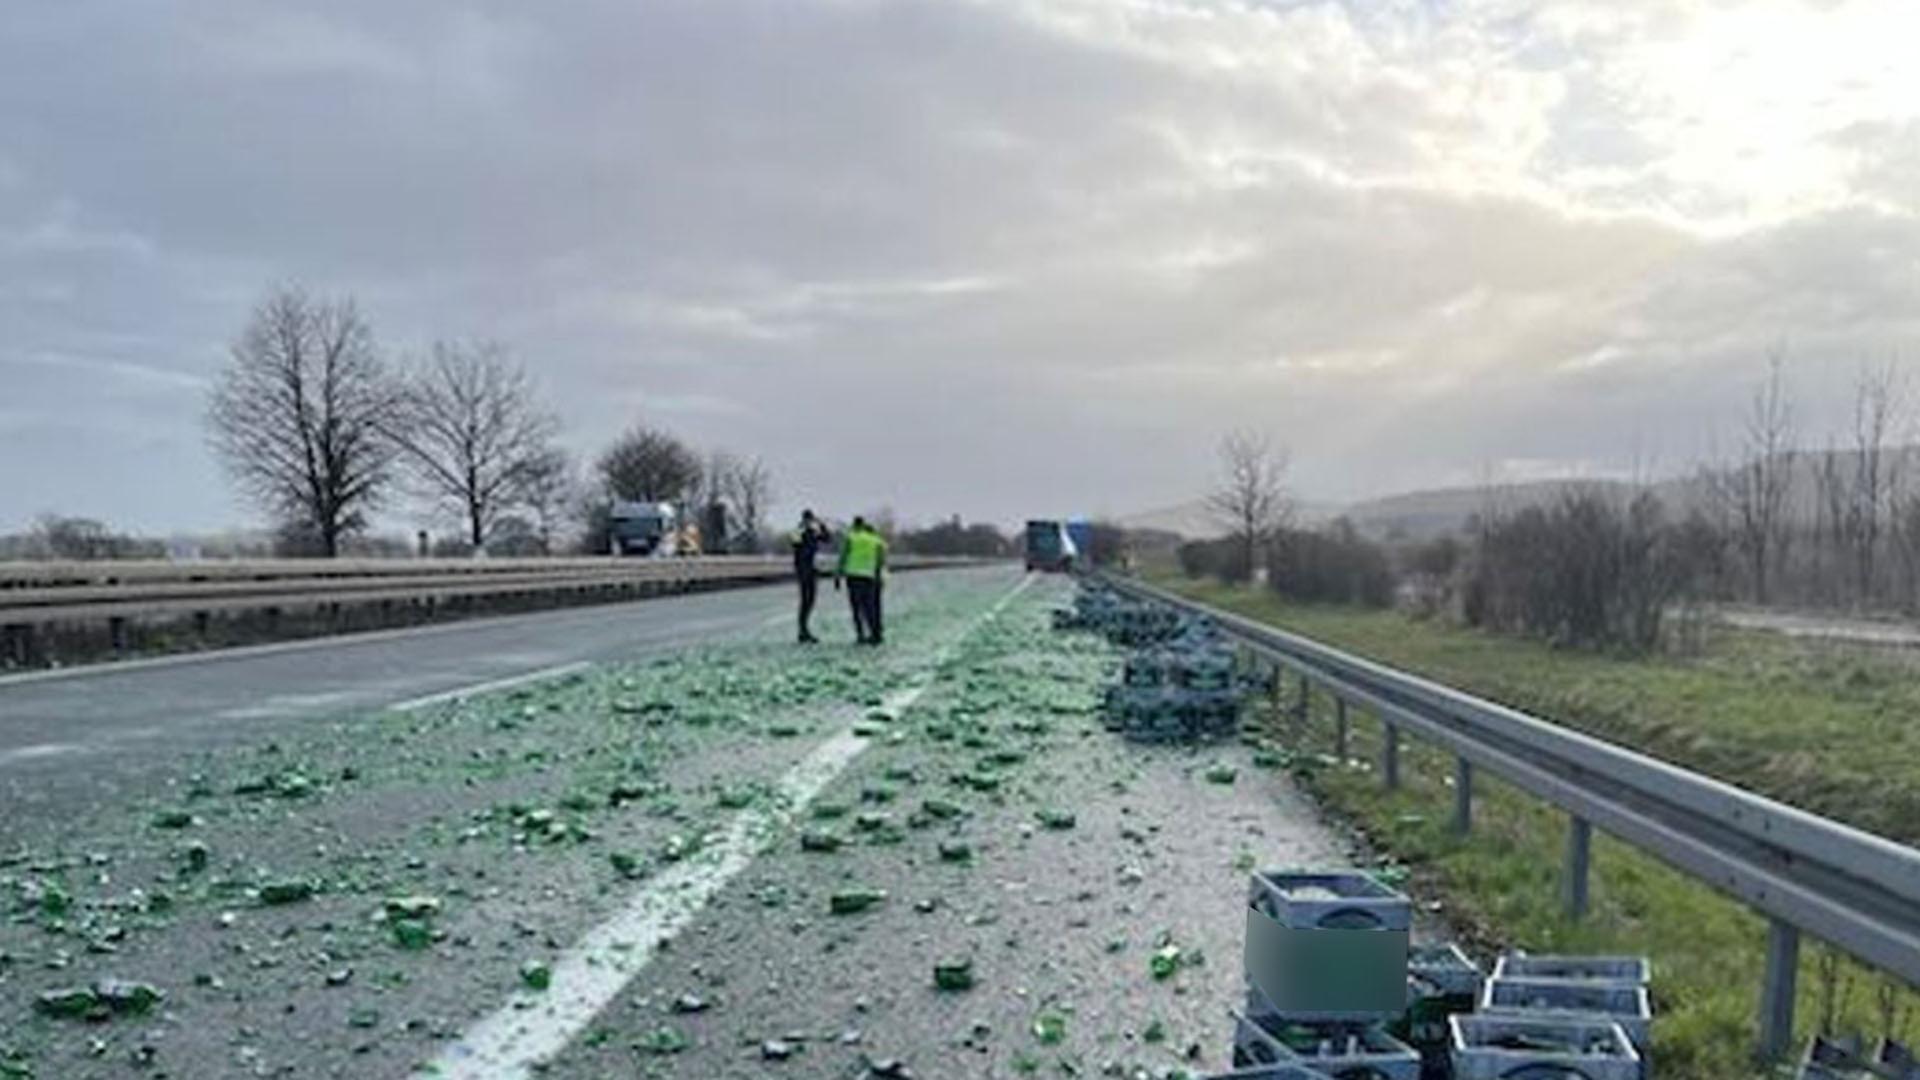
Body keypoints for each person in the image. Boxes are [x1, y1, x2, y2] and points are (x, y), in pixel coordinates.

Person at [837, 516, 888, 645]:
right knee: (869, 606)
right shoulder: (875, 540)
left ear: (854, 525)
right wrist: (878, 577)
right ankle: (874, 634)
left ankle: (860, 635)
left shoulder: (851, 538)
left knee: (856, 607)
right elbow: (880, 561)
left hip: (853, 576)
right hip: (869, 576)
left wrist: (838, 575)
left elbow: (843, 556)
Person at [788, 509, 830, 644]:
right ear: (805, 519)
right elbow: (796, 544)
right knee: (806, 600)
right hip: (803, 568)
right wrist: (807, 531)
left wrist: (822, 525)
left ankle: (804, 630)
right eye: (809, 519)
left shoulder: (812, 531)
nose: (810, 522)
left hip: (811, 569)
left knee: (810, 600)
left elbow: (827, 538)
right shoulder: (798, 531)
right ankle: (803, 631)